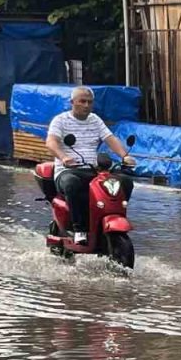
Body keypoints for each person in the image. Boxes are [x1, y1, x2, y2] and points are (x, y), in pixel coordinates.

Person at [45, 87, 135, 245]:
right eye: (82, 101)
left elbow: (110, 138)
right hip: (69, 171)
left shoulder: (95, 119)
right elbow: (51, 142)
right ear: (72, 102)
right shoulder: (60, 120)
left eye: (90, 102)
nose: (86, 105)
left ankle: (114, 217)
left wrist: (124, 156)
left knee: (125, 181)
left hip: (93, 171)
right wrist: (64, 157)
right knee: (72, 183)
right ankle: (80, 229)